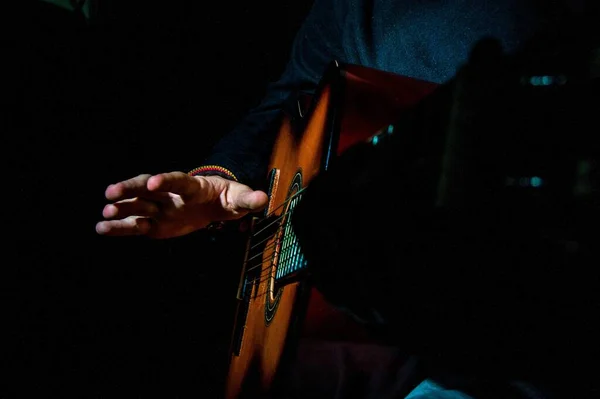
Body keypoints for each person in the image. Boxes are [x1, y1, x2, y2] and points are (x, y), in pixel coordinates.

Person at [96, 0, 597, 397]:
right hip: (405, 333)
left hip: (531, 313)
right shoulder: (342, 8)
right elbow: (287, 94)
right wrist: (220, 179)